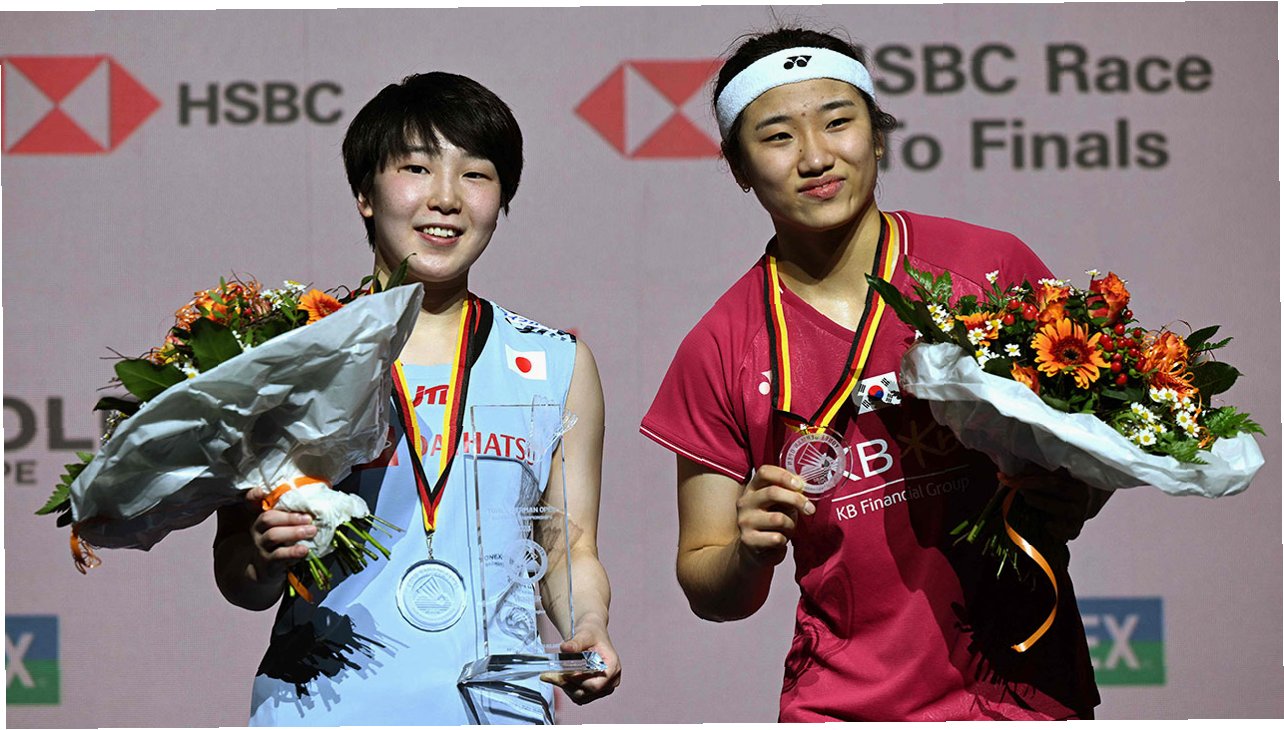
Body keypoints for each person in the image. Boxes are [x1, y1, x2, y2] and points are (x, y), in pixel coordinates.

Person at [640, 27, 1108, 721]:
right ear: (739, 168)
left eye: (838, 122)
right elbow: (711, 587)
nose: (815, 157)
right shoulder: (720, 346)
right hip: (846, 706)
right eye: (777, 137)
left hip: (1026, 691)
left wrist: (1076, 493)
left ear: (879, 135)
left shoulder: (989, 268)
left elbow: (1089, 452)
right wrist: (747, 550)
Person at [213, 71, 621, 725]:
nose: (446, 198)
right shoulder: (289, 356)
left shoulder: (555, 364)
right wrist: (263, 556)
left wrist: (588, 626)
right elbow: (239, 574)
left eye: (476, 174)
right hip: (320, 712)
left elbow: (567, 548)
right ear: (364, 194)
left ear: (502, 199)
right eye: (416, 168)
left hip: (497, 711)